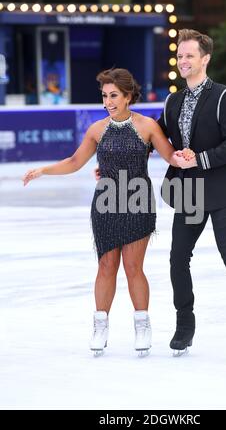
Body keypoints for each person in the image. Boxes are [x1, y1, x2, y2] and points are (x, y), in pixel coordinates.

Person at [22, 68, 183, 357]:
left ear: (128, 96)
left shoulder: (147, 126)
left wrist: (186, 157)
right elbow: (74, 161)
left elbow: (170, 154)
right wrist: (44, 170)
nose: (108, 101)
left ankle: (142, 324)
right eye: (105, 96)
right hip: (105, 204)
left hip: (138, 201)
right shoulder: (97, 129)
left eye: (114, 96)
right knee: (106, 266)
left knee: (134, 268)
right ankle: (100, 325)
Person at [157, 29, 226, 363]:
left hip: (220, 187)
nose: (183, 61)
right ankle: (184, 325)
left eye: (190, 55)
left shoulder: (225, 95)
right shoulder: (172, 100)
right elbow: (159, 137)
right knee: (178, 257)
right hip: (188, 190)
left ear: (205, 59)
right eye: (180, 56)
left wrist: (199, 159)